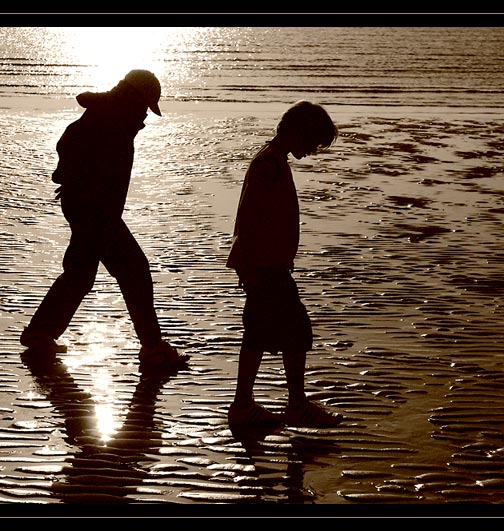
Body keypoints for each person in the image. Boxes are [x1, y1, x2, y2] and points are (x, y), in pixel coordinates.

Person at [21, 69, 187, 376]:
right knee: (134, 270)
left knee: (80, 273)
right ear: (132, 98)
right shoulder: (110, 120)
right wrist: (70, 177)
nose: (145, 116)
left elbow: (71, 143)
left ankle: (40, 333)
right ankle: (153, 348)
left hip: (91, 208)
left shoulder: (111, 116)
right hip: (95, 211)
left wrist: (69, 176)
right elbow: (71, 145)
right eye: (145, 107)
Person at [226, 101, 343, 428]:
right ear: (296, 133)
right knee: (293, 333)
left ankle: (248, 405)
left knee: (261, 335)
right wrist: (247, 267)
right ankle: (288, 405)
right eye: (311, 143)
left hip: (268, 266)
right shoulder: (269, 165)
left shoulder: (274, 160)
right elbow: (248, 220)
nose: (312, 151)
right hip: (263, 268)